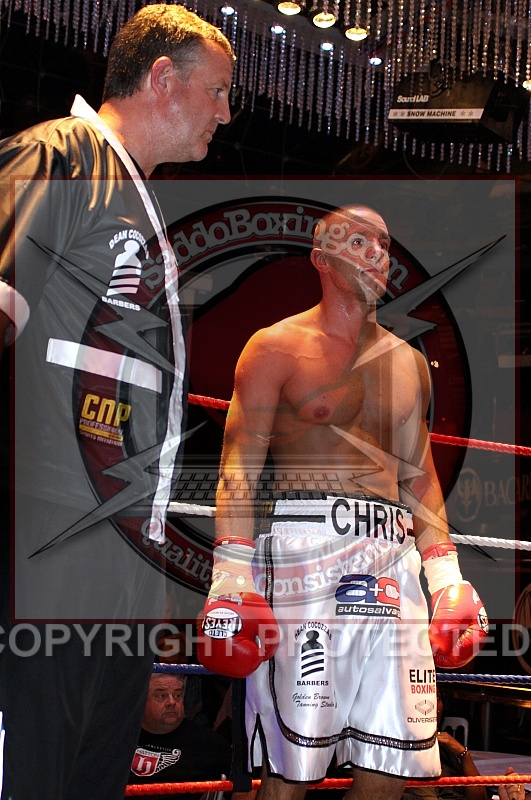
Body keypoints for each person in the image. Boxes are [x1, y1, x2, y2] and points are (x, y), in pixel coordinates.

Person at [0, 5, 233, 799]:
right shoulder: (61, 157)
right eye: (216, 91)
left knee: (93, 769)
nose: (225, 113)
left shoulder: (139, 200)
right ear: (162, 78)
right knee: (36, 761)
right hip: (53, 521)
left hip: (121, 537)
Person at [196, 205, 488, 800]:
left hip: (393, 558)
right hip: (307, 554)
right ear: (321, 258)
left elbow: (420, 478)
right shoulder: (276, 346)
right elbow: (238, 466)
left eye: (383, 243)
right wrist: (230, 579)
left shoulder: (409, 363)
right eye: (358, 241)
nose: (377, 252)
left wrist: (446, 577)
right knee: (291, 768)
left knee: (394, 764)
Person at [128, 673, 232, 800]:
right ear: (141, 699)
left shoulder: (207, 743)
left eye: (177, 695)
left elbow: (244, 787)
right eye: (161, 696)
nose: (172, 702)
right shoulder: (120, 737)